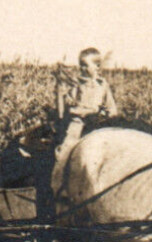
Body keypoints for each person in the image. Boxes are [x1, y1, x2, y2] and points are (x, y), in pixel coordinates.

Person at [51, 47, 121, 187]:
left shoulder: (103, 85)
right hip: (79, 122)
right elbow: (68, 104)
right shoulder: (77, 83)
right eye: (81, 65)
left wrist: (109, 115)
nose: (82, 68)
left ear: (97, 66)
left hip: (97, 122)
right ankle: (59, 183)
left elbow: (111, 107)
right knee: (65, 151)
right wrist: (68, 100)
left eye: (85, 65)